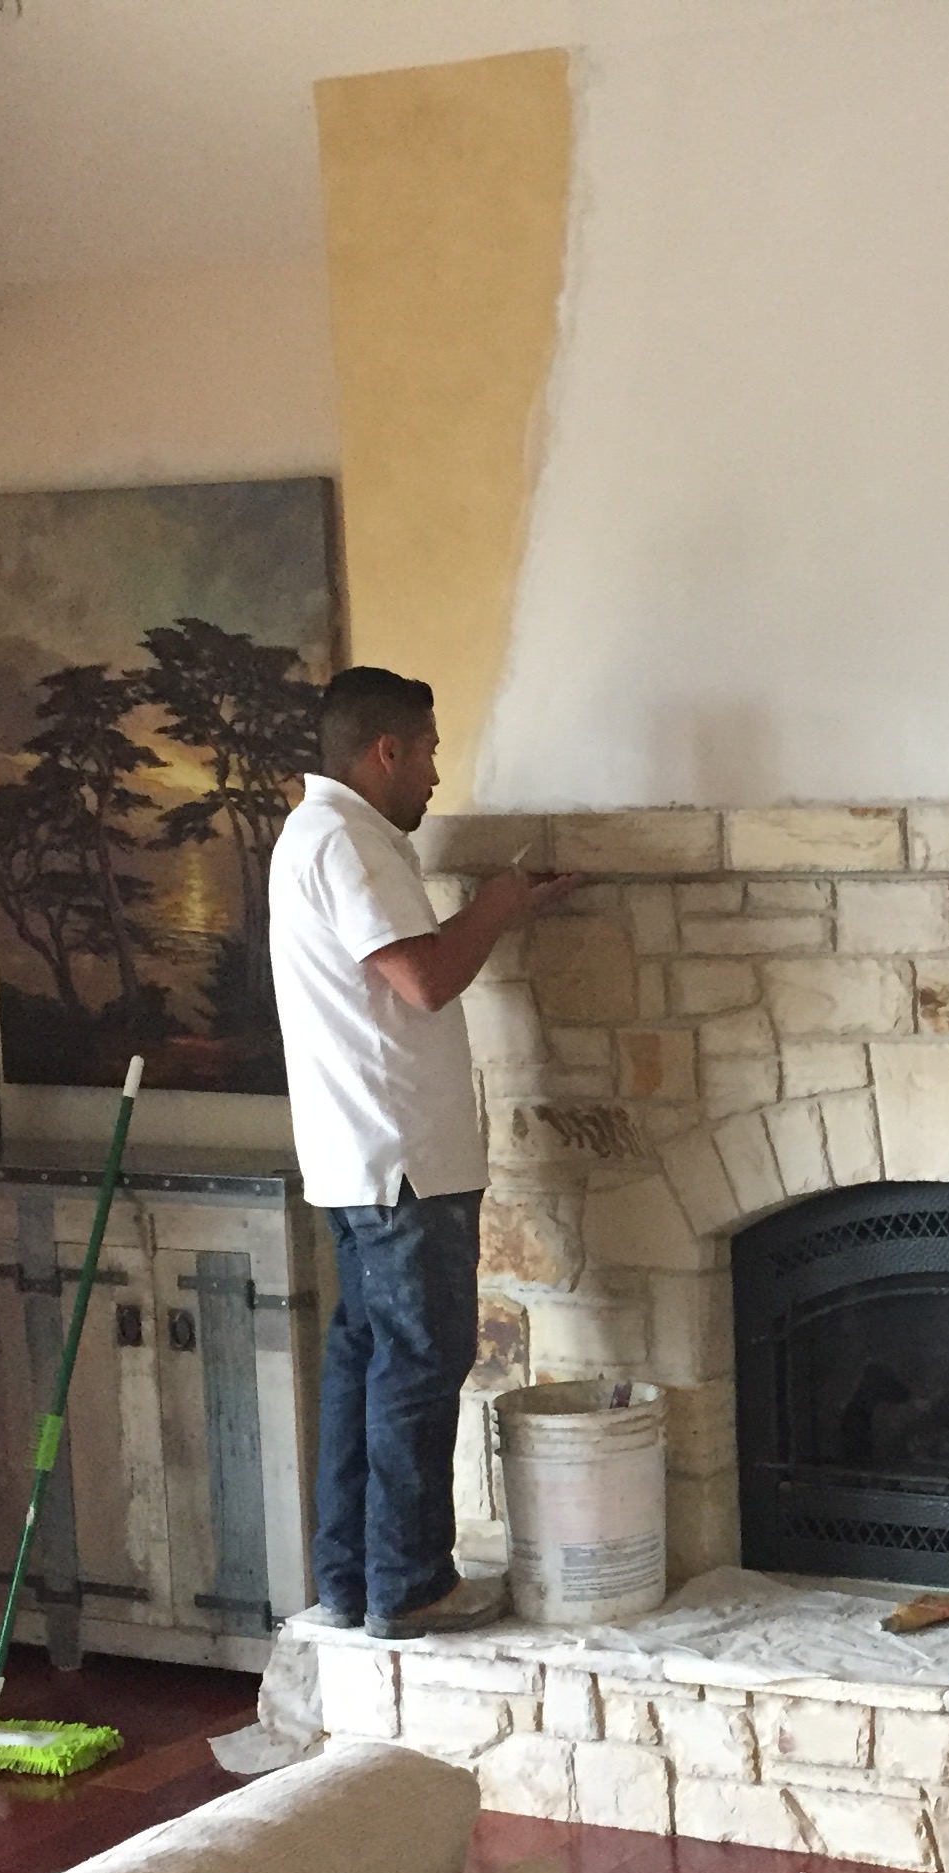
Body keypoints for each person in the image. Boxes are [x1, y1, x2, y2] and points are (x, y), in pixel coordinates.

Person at [270, 667, 579, 1638]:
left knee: (369, 1365)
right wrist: (496, 903)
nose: (438, 774)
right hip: (401, 1159)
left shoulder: (315, 835)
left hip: (364, 1154)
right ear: (386, 751)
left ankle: (355, 1583)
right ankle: (410, 1587)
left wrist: (500, 909)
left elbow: (401, 972)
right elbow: (423, 979)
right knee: (417, 1365)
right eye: (432, 752)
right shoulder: (348, 841)